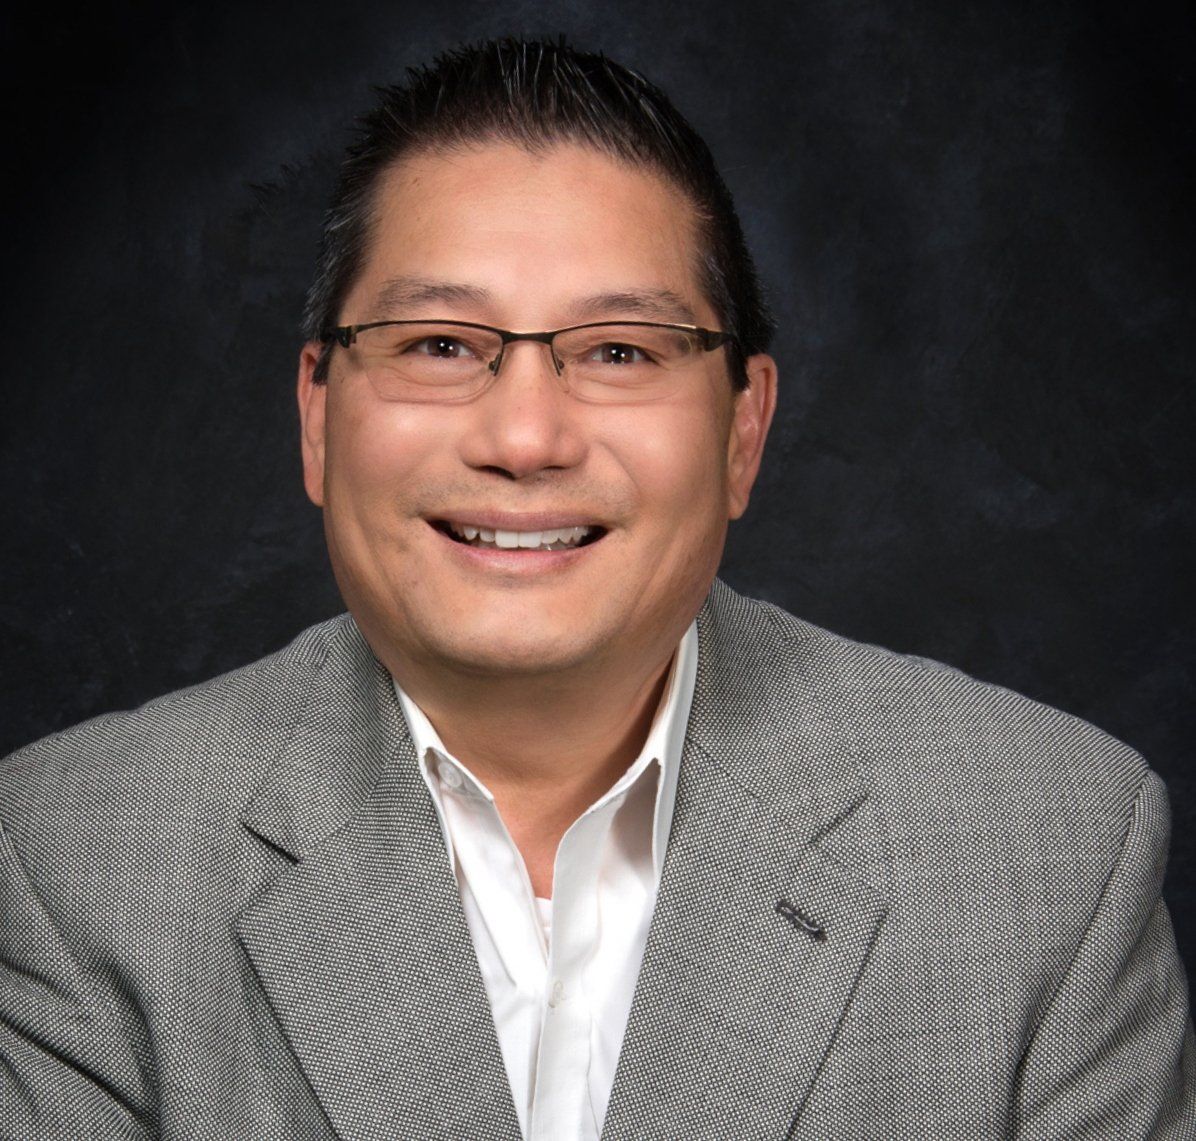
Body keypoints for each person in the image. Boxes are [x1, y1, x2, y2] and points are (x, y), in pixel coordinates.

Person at [1, 37, 1191, 1141]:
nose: (524, 436)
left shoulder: (1047, 851)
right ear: (317, 414)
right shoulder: (72, 862)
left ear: (742, 430)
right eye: (439, 344)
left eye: (619, 350)